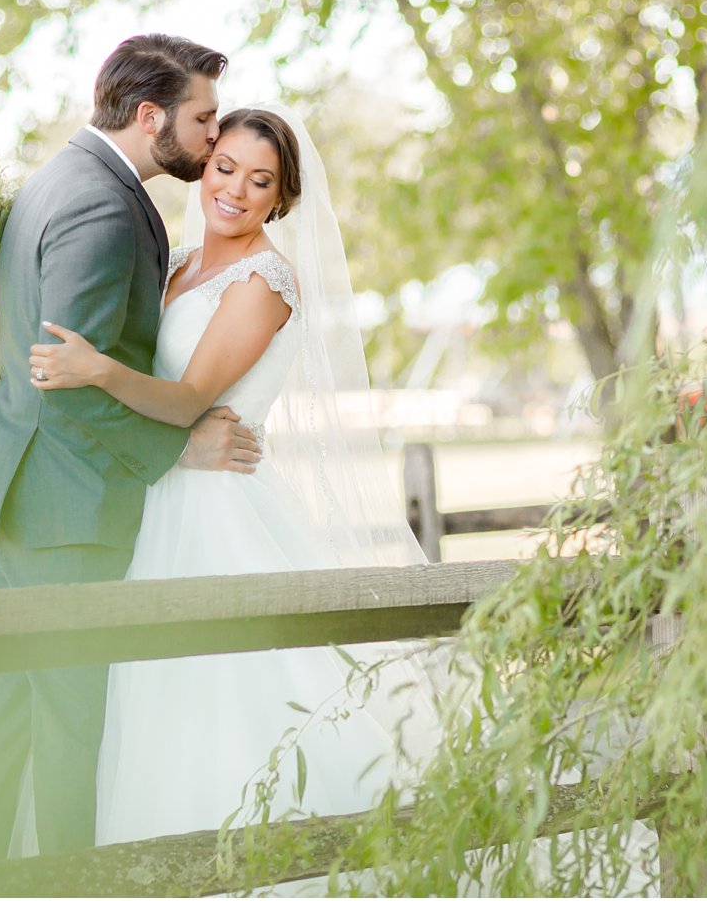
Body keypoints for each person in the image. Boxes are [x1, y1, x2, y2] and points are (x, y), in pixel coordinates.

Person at [27, 104, 435, 847]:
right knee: (144, 699)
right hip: (155, 496)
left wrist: (96, 368)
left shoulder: (265, 282)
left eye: (260, 181)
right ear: (205, 166)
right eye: (225, 168)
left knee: (223, 698)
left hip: (218, 512)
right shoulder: (177, 264)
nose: (236, 192)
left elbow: (188, 400)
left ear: (281, 198)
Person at [0, 34, 267, 867]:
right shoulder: (100, 202)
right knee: (68, 727)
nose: (212, 137)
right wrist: (178, 451)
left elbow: (37, 343)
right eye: (203, 120)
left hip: (29, 498)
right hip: (71, 506)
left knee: (13, 719)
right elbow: (71, 379)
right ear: (150, 114)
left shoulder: (62, 176)